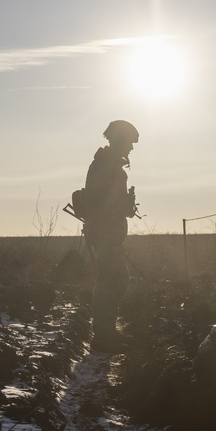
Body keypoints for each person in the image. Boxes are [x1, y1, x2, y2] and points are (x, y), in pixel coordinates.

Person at [84, 120, 139, 353]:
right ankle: (103, 337)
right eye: (129, 143)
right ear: (118, 141)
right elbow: (102, 204)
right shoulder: (105, 167)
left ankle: (107, 333)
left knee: (115, 282)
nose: (131, 149)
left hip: (108, 236)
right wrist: (122, 207)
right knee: (110, 283)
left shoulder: (108, 165)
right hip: (105, 236)